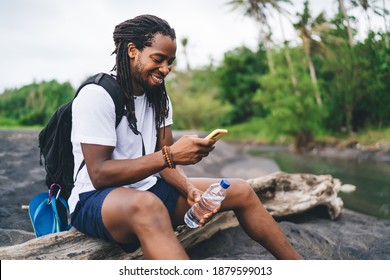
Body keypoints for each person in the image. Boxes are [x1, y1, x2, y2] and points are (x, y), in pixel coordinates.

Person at [69, 14, 303, 260]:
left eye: (170, 62)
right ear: (132, 51)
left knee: (241, 190)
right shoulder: (98, 94)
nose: (165, 69)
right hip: (95, 199)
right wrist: (169, 156)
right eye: (158, 59)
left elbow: (166, 165)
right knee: (149, 207)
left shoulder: (158, 96)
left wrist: (189, 189)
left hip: (147, 188)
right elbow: (99, 174)